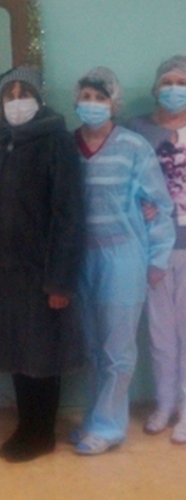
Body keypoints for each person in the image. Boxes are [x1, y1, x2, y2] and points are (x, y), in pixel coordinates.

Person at [0, 65, 85, 463]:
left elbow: (69, 214)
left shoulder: (56, 141)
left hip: (41, 270)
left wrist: (60, 281)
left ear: (39, 98)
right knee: (18, 352)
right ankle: (26, 425)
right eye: (10, 95)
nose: (18, 102)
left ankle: (41, 432)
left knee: (43, 354)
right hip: (2, 271)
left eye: (25, 94)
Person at [72, 67, 175, 455]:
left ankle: (109, 427)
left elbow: (159, 205)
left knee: (117, 350)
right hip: (79, 259)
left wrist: (157, 258)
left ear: (113, 104)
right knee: (90, 347)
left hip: (123, 258)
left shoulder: (133, 146)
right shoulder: (66, 146)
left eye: (100, 98)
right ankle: (93, 419)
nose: (93, 104)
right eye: (86, 97)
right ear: (76, 101)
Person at [128, 55, 186, 444]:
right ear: (155, 88)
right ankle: (164, 403)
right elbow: (126, 178)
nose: (174, 89)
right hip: (154, 245)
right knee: (160, 331)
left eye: (182, 82)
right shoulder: (139, 131)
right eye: (167, 82)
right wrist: (140, 203)